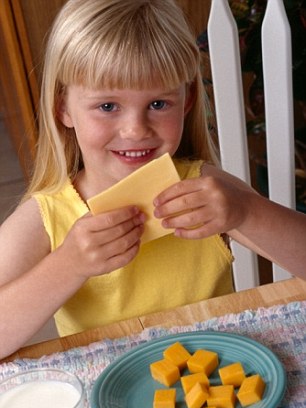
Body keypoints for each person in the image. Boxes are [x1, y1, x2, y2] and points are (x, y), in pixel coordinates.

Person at [0, 0, 306, 359]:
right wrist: (70, 264)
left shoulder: (204, 188)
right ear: (63, 108)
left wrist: (247, 211)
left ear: (186, 101)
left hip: (214, 382)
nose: (135, 130)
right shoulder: (47, 216)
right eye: (108, 106)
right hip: (106, 399)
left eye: (158, 104)